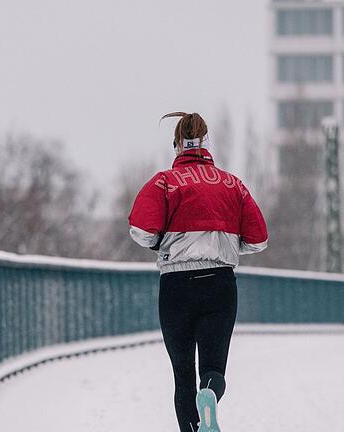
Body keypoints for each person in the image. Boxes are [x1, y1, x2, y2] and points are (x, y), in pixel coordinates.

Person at [128, 112, 268, 432]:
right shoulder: (234, 185)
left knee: (182, 374)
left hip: (176, 286)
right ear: (206, 142)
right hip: (219, 284)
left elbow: (141, 230)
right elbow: (258, 239)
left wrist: (163, 244)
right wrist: (228, 246)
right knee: (213, 368)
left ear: (177, 144)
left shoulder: (164, 182)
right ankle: (209, 394)